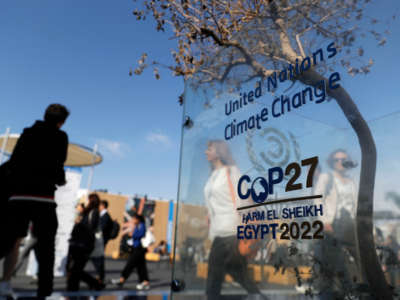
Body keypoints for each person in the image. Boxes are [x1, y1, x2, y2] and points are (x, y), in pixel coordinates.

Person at [0, 104, 69, 298]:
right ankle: (44, 292)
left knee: (6, 241)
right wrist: (60, 179)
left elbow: (14, 162)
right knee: (46, 249)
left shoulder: (28, 133)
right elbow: (58, 165)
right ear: (61, 122)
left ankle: (6, 282)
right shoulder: (60, 137)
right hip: (43, 198)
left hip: (19, 197)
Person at [204, 140, 266, 300]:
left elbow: (244, 199)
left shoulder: (232, 171)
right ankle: (258, 296)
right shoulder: (213, 175)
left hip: (231, 229)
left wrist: (246, 225)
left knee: (214, 273)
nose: (206, 152)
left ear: (219, 152)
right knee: (237, 271)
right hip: (219, 229)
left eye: (209, 149)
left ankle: (213, 297)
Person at [313, 149, 360, 298]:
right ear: (332, 163)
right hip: (333, 223)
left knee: (360, 259)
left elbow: (357, 204)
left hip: (350, 224)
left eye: (343, 160)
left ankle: (354, 291)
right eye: (337, 160)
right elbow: (317, 200)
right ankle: (337, 293)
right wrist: (324, 221)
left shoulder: (352, 181)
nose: (340, 163)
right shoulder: (327, 177)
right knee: (334, 262)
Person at [66, 193, 104, 291]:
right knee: (75, 269)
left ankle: (74, 290)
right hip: (79, 243)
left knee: (75, 270)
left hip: (84, 245)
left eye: (87, 199)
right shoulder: (88, 212)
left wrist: (80, 215)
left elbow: (90, 228)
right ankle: (94, 284)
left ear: (91, 201)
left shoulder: (94, 212)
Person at [111, 213, 150, 290]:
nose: (133, 220)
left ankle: (122, 279)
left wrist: (132, 235)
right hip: (136, 248)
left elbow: (141, 234)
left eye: (134, 219)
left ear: (138, 219)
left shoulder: (141, 225)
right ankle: (145, 282)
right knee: (141, 266)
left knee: (130, 264)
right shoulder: (137, 225)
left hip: (139, 248)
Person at [89, 200, 112, 284]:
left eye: (100, 205)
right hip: (100, 239)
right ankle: (100, 275)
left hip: (101, 239)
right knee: (98, 257)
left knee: (98, 257)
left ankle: (100, 276)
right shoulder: (102, 215)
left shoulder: (105, 216)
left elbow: (102, 227)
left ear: (103, 206)